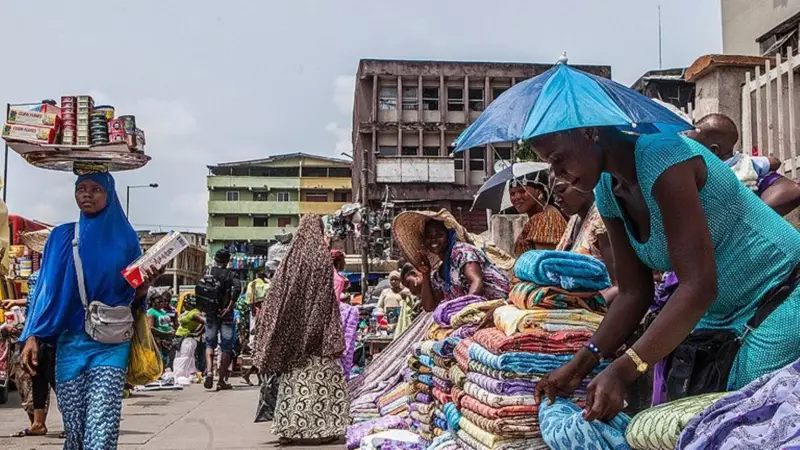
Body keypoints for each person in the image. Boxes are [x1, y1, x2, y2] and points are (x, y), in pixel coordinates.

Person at [529, 127, 800, 422]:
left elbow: (698, 287)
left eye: (557, 158)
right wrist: (579, 365)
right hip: (722, 315)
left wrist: (623, 368)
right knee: (691, 418)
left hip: (783, 293)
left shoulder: (663, 158)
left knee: (744, 417)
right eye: (549, 164)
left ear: (589, 131)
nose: (556, 173)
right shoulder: (608, 191)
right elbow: (634, 293)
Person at [19, 171, 160, 450]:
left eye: (96, 189)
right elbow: (44, 290)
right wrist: (32, 335)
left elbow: (132, 296)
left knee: (102, 424)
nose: (87, 194)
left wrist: (145, 287)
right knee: (75, 430)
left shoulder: (127, 239)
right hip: (70, 342)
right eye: (81, 188)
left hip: (111, 342)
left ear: (110, 194)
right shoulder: (61, 237)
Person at [252, 215, 348, 445]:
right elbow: (326, 300)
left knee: (293, 384)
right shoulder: (322, 259)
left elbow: (277, 296)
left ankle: (288, 429)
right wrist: (328, 330)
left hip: (292, 335)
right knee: (323, 382)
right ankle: (326, 429)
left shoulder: (290, 259)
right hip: (318, 335)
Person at [392, 210, 511, 312]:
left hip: (500, 304)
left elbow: (477, 281)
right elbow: (429, 306)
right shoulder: (440, 273)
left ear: (449, 236)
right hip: (476, 310)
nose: (433, 239)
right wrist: (426, 274)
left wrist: (465, 313)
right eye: (429, 236)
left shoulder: (462, 251)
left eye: (439, 235)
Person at [689, 113, 800, 216]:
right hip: (751, 203)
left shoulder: (707, 171)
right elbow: (774, 162)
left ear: (713, 150)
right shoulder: (746, 161)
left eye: (693, 147)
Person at [202, 249, 240, 391]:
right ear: (228, 260)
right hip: (226, 315)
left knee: (209, 344)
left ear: (216, 260)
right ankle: (221, 380)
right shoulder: (232, 274)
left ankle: (210, 372)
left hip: (210, 313)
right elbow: (237, 290)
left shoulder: (208, 272)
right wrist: (229, 308)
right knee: (226, 348)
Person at [509, 168, 568, 257]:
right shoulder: (539, 217)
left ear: (540, 192)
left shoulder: (548, 218)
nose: (516, 197)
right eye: (512, 194)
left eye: (522, 191)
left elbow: (545, 263)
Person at [172, 295, 205, 384]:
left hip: (187, 339)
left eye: (185, 303)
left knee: (184, 358)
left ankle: (181, 376)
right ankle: (189, 375)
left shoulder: (194, 313)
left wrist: (197, 333)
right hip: (182, 338)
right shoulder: (188, 312)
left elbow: (205, 322)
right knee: (186, 358)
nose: (184, 305)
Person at [147, 289, 176, 369]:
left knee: (166, 360)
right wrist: (166, 334)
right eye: (158, 302)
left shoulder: (162, 311)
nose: (161, 303)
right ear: (152, 302)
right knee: (160, 359)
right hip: (158, 340)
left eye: (161, 301)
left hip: (167, 341)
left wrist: (171, 330)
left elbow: (167, 323)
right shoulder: (151, 312)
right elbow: (151, 328)